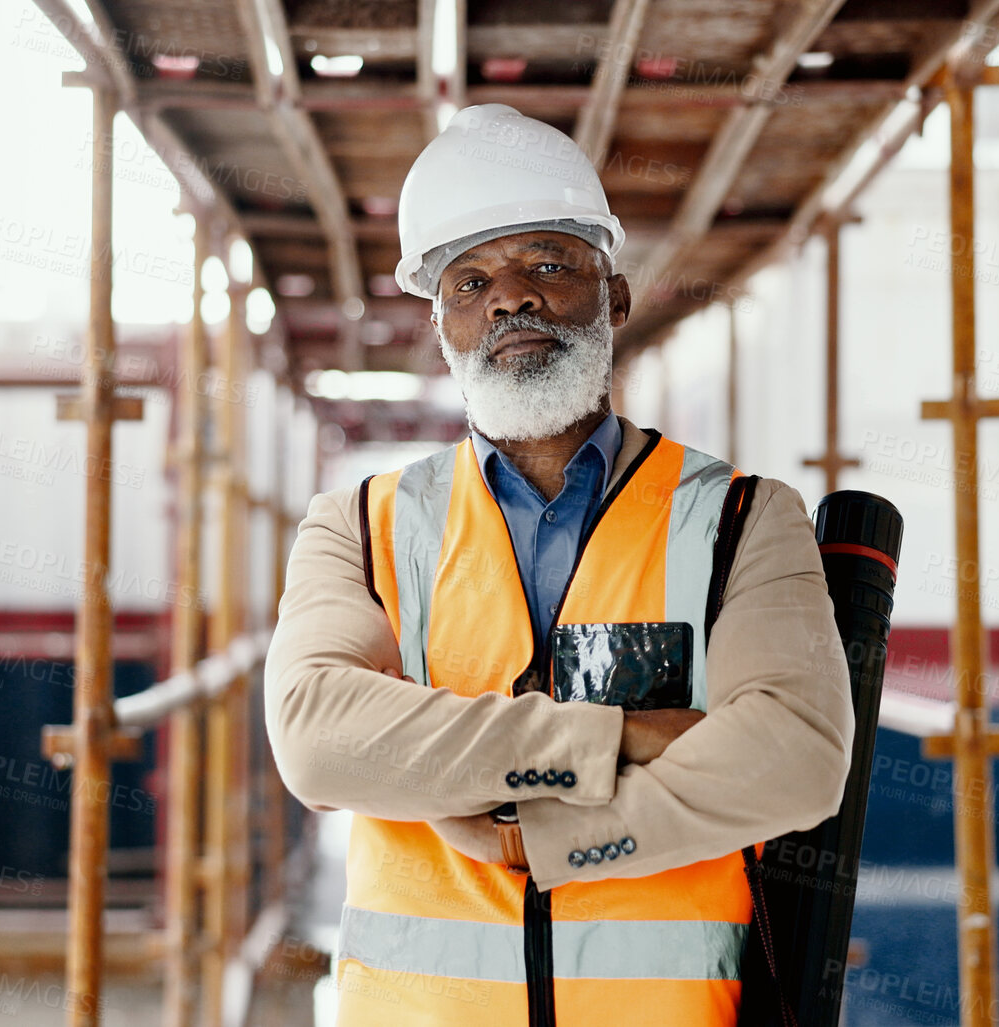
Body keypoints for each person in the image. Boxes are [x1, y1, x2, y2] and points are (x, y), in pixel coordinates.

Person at [263, 103, 853, 1027]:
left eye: (545, 262)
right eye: (469, 282)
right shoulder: (362, 524)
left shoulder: (740, 519)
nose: (509, 298)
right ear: (443, 327)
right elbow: (314, 736)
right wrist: (612, 739)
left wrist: (541, 839)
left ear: (612, 297)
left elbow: (795, 760)